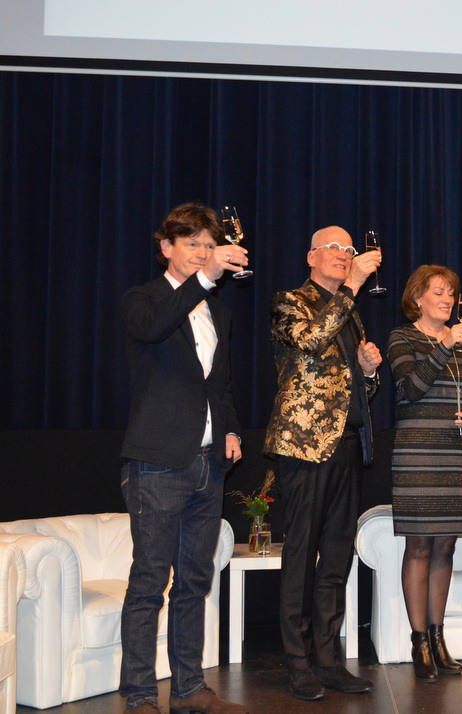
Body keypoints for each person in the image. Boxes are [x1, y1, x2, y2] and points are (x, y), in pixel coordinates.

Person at [120, 202, 248, 714]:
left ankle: (189, 690)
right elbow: (154, 328)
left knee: (195, 581)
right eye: (192, 243)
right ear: (166, 248)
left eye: (209, 244)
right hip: (157, 460)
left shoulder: (217, 312)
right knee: (150, 582)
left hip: (207, 462)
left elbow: (220, 383)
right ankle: (139, 695)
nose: (202, 251)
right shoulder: (144, 299)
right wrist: (205, 278)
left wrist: (231, 428)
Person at [264, 226, 383, 701]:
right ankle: (297, 661)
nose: (343, 254)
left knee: (337, 556)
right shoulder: (289, 301)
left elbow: (357, 387)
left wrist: (369, 373)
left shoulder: (350, 314)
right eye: (333, 247)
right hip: (304, 446)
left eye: (349, 249)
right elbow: (311, 341)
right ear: (311, 256)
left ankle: (328, 660)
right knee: (301, 555)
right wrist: (351, 286)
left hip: (348, 445)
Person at [387, 265, 462, 683]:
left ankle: (439, 638)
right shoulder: (402, 337)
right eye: (438, 293)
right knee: (420, 546)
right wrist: (443, 345)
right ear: (417, 299)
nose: (447, 300)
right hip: (418, 455)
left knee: (446, 546)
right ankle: (419, 641)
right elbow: (410, 389)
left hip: (455, 453)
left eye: (450, 293)